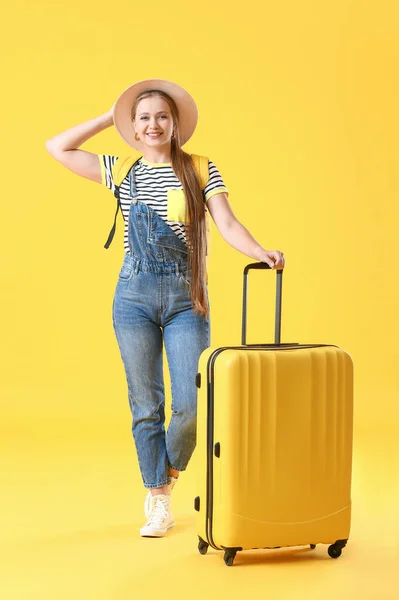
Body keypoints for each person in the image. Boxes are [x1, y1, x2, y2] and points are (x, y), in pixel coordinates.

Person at [45, 79, 285, 538]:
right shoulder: (122, 171)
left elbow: (228, 222)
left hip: (184, 297)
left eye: (161, 117)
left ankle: (166, 474)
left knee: (191, 405)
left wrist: (258, 250)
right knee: (146, 405)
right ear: (132, 128)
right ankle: (158, 498)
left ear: (175, 125)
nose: (152, 125)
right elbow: (57, 147)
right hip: (132, 297)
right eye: (142, 118)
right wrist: (109, 116)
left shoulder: (199, 169)